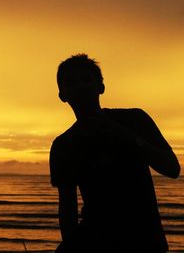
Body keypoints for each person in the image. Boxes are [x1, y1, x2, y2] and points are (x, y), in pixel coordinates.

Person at [49, 54, 180, 253]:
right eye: (71, 83)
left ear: (100, 87)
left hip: (145, 241)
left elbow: (172, 168)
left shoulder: (135, 120)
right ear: (62, 95)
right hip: (95, 243)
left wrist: (130, 138)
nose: (80, 87)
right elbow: (67, 209)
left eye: (85, 80)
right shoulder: (63, 145)